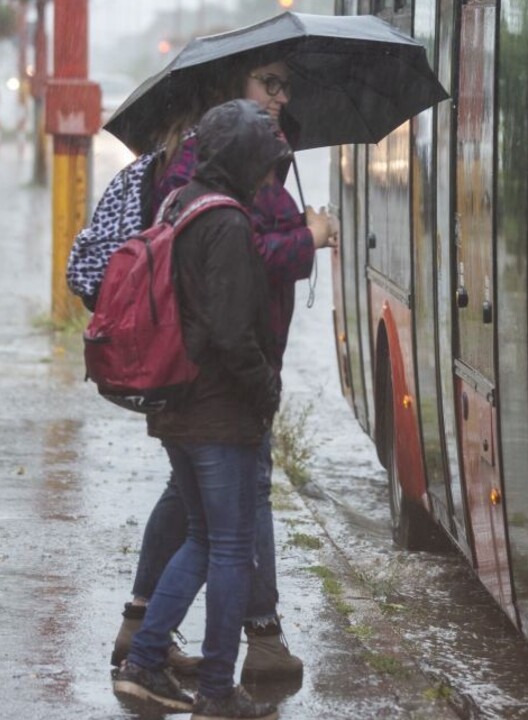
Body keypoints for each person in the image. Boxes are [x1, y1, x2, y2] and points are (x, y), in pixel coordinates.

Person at [109, 51, 339, 681]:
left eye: (287, 86)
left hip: (204, 387)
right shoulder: (211, 181)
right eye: (270, 83)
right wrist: (308, 238)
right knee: (229, 530)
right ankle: (244, 652)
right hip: (220, 387)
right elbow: (235, 272)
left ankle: (147, 639)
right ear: (233, 87)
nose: (281, 97)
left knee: (200, 522)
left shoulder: (228, 170)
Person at [111, 98, 286, 720]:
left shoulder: (179, 203)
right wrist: (266, 389)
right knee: (232, 549)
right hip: (219, 413)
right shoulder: (228, 224)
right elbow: (232, 335)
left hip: (176, 405)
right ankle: (216, 689)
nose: (269, 173)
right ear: (243, 159)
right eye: (264, 159)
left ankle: (143, 661)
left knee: (203, 538)